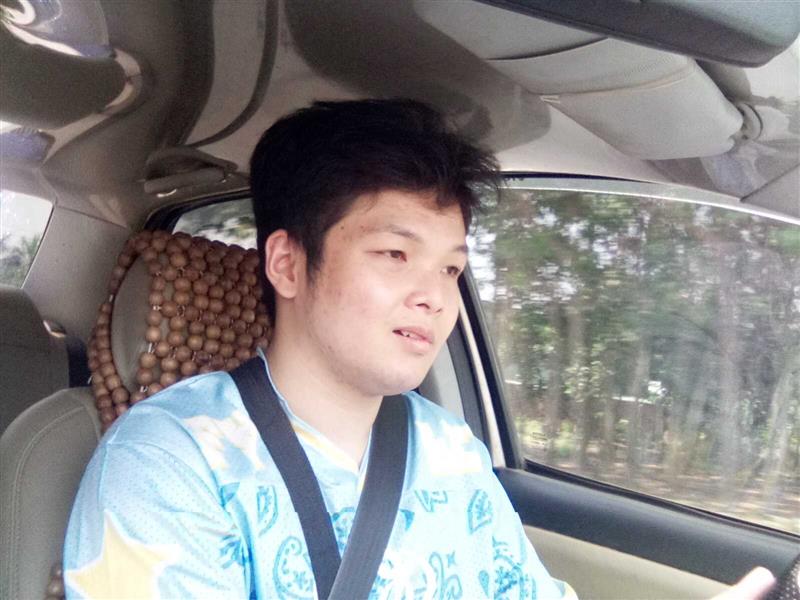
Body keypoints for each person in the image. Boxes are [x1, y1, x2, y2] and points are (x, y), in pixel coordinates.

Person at [63, 99, 774, 600]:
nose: (436, 297)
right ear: (287, 264)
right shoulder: (168, 461)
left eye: (451, 269)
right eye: (395, 254)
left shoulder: (449, 449)